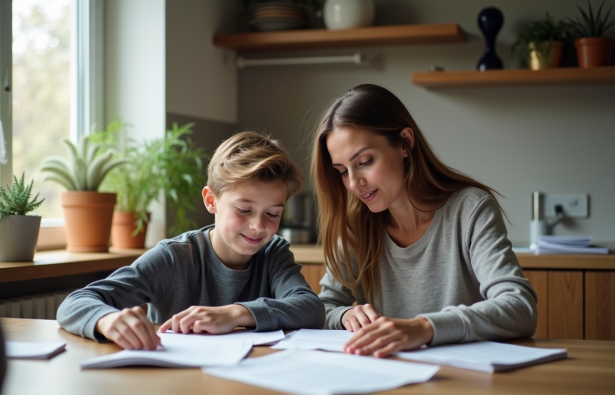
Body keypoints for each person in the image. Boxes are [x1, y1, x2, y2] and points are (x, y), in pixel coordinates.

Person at [311, 84, 537, 358]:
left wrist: (424, 327)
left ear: (405, 143)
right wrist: (346, 314)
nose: (354, 183)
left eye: (365, 161)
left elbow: (520, 307)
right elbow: (322, 308)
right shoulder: (357, 227)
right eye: (342, 171)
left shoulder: (470, 209)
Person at [58, 131, 325, 350]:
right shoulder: (174, 258)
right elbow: (76, 302)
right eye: (244, 210)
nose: (258, 226)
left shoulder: (273, 253)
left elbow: (311, 308)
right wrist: (106, 319)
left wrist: (234, 313)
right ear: (211, 200)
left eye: (272, 213)